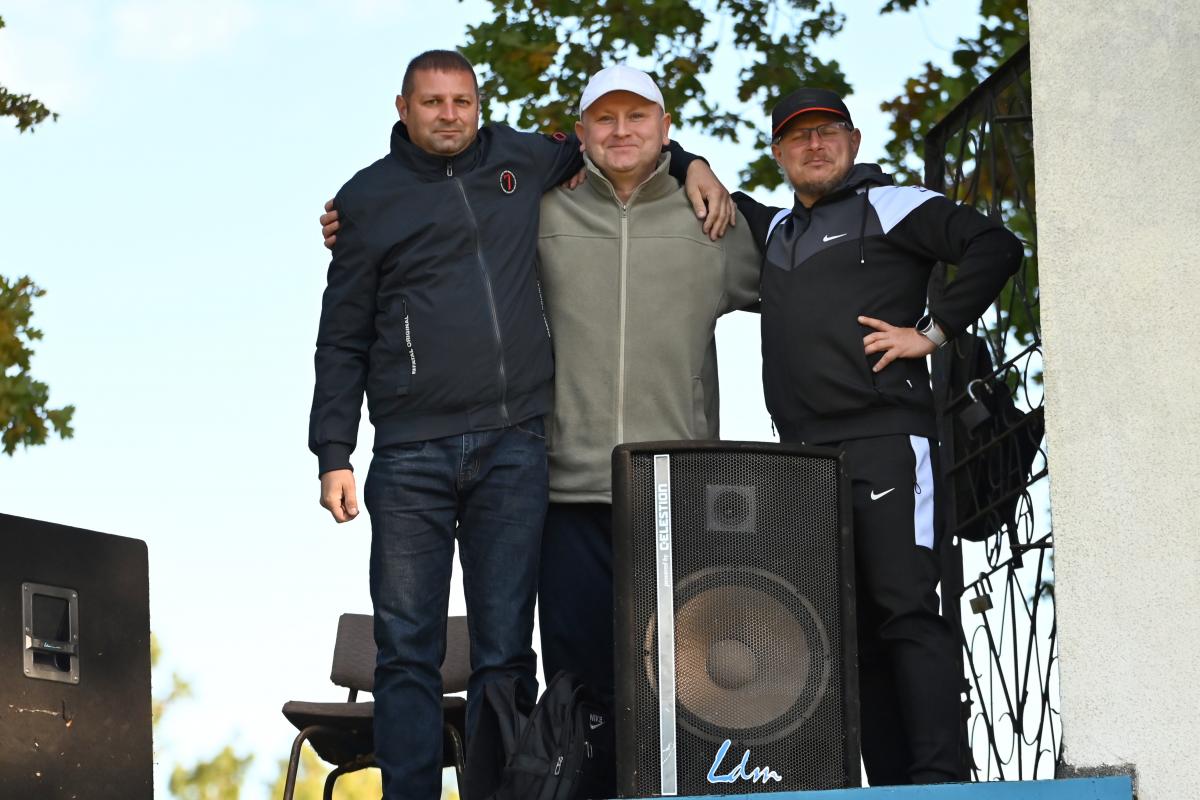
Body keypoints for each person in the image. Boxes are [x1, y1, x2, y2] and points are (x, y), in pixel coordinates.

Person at [309, 50, 731, 800]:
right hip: (410, 452)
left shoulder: (520, 159)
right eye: (433, 102)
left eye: (462, 101)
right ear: (402, 109)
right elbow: (341, 336)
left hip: (514, 445)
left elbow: (621, 140)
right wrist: (333, 450)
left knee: (506, 654)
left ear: (480, 105)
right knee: (406, 651)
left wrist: (692, 161)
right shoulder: (366, 199)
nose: (450, 114)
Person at [732, 88, 1024, 785]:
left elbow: (997, 246)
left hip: (888, 440)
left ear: (854, 140)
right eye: (798, 136)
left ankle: (939, 780)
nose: (814, 145)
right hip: (803, 461)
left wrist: (933, 332)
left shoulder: (892, 204)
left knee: (907, 610)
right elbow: (701, 184)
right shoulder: (774, 230)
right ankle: (889, 787)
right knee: (843, 630)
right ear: (778, 153)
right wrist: (689, 165)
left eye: (828, 131)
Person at [535, 65, 761, 794]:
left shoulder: (713, 217)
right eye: (605, 119)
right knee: (580, 690)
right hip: (567, 491)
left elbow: (810, 271)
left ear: (666, 129)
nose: (622, 130)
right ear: (580, 135)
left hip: (678, 490)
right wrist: (360, 219)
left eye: (638, 116)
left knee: (686, 685)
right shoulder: (543, 211)